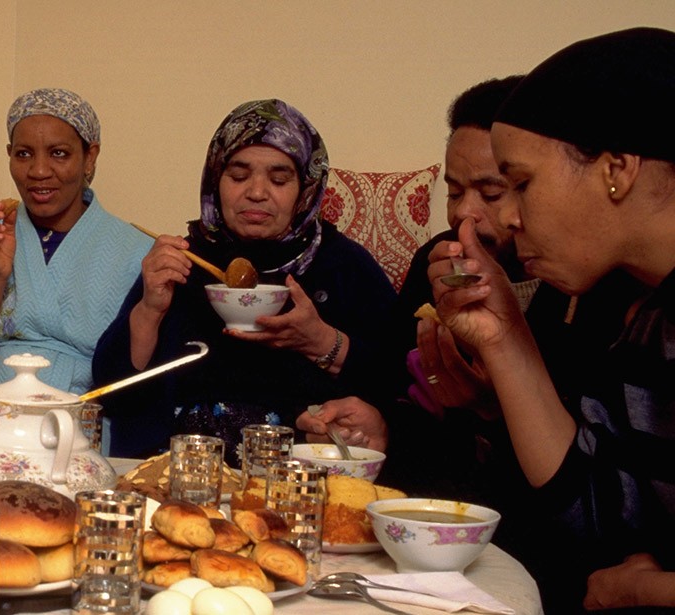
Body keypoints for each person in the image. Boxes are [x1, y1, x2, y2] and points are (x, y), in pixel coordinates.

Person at [300, 76, 642, 614]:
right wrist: (382, 423)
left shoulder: (588, 288)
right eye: (455, 191)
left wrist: (491, 407)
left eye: (497, 190)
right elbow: (401, 390)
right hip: (430, 532)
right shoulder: (439, 263)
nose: (468, 216)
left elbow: (592, 499)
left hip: (537, 550)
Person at [431, 27, 675, 610]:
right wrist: (504, 335)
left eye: (519, 183)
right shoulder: (648, 320)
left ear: (617, 167)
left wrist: (651, 589)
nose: (507, 218)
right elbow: (596, 511)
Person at [94, 99, 396, 460]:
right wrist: (150, 309)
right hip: (175, 472)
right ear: (214, 180)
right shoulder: (185, 260)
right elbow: (110, 393)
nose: (256, 192)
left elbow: (401, 382)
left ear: (306, 188)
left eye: (279, 179)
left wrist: (321, 342)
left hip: (297, 476)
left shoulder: (343, 264)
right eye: (238, 176)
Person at [0, 88, 151, 422]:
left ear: (90, 157)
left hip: (78, 427)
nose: (39, 171)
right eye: (23, 154)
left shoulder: (137, 252)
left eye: (59, 153)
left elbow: (133, 387)